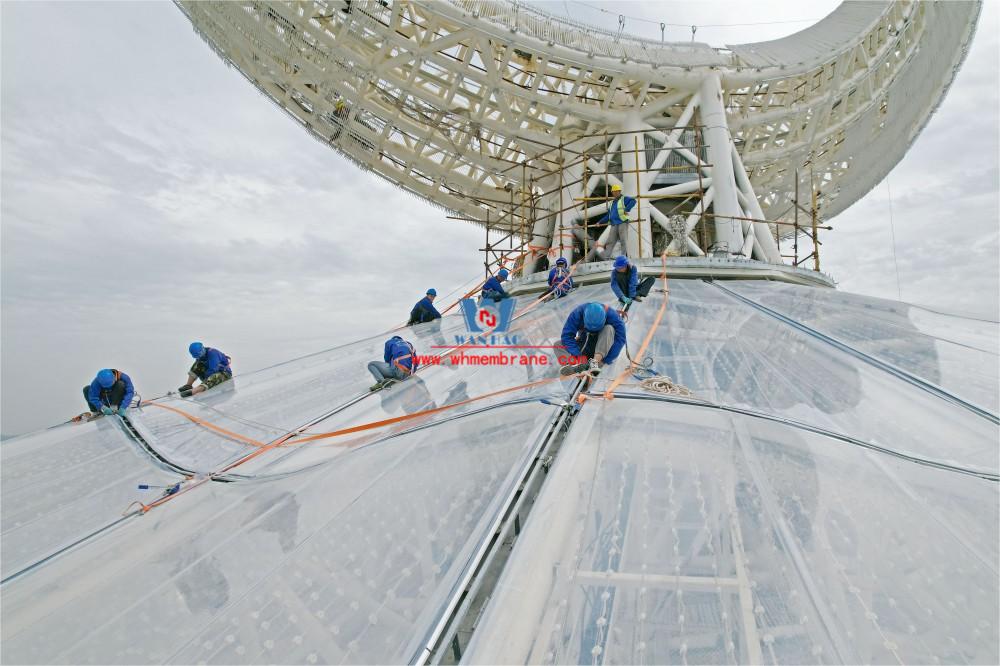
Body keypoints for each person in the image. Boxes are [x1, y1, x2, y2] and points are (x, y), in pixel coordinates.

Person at [559, 302, 627, 376]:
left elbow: (620, 339)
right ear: (584, 317)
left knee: (609, 328)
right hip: (585, 342)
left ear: (605, 318)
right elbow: (566, 336)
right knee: (558, 344)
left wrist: (606, 360)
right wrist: (578, 355)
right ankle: (574, 364)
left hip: (601, 346)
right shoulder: (577, 314)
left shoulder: (613, 316)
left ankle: (595, 363)